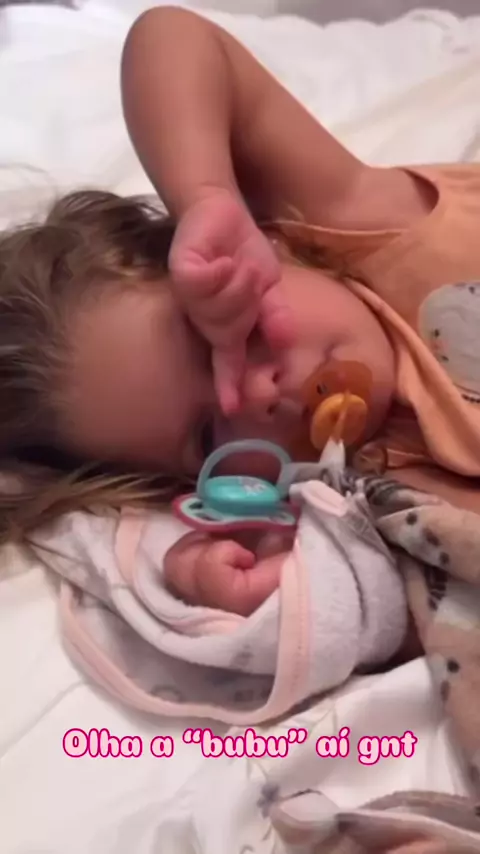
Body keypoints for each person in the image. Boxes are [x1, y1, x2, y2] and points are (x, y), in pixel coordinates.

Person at [0, 6, 479, 613]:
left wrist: (206, 197)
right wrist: (236, 575)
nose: (259, 395)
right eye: (208, 435)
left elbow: (173, 37)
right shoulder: (369, 492)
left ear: (264, 245)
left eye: (232, 333)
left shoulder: (358, 218)